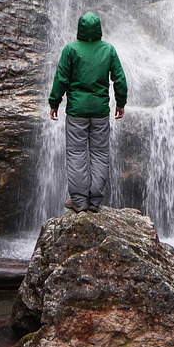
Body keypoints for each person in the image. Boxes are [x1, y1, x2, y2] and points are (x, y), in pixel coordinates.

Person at [48, 11, 128, 213]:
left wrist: (54, 102)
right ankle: (94, 201)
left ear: (80, 28)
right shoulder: (108, 50)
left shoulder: (71, 50)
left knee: (76, 153)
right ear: (99, 28)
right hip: (100, 111)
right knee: (100, 153)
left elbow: (61, 79)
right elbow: (119, 79)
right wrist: (121, 102)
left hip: (77, 111)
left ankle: (79, 201)